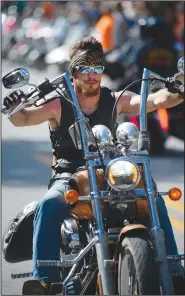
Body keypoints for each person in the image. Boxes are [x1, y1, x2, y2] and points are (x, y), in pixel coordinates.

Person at [3, 36, 184, 295]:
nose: (92, 76)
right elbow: (24, 119)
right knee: (48, 204)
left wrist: (178, 89)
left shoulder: (115, 98)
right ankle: (44, 279)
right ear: (74, 72)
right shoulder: (58, 103)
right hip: (70, 175)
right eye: (85, 69)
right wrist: (14, 108)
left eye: (97, 69)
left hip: (109, 172)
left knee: (153, 196)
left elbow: (155, 100)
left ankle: (175, 271)